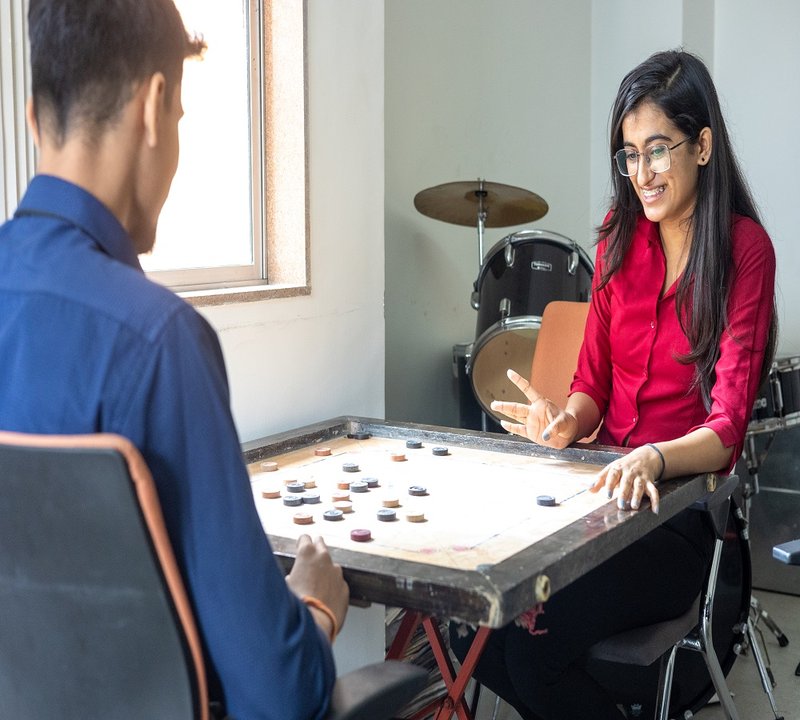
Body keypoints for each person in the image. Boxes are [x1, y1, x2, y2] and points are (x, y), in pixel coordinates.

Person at [0, 1, 349, 718]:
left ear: (34, 118)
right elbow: (278, 696)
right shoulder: (159, 341)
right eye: (183, 117)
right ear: (156, 107)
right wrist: (316, 602)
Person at [450, 49, 776, 720]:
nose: (641, 173)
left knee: (531, 650)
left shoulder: (744, 251)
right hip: (597, 501)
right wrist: (566, 422)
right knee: (472, 635)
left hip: (674, 514)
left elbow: (725, 429)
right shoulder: (615, 245)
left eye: (657, 150)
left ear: (703, 145)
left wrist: (654, 455)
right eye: (628, 155)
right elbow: (591, 386)